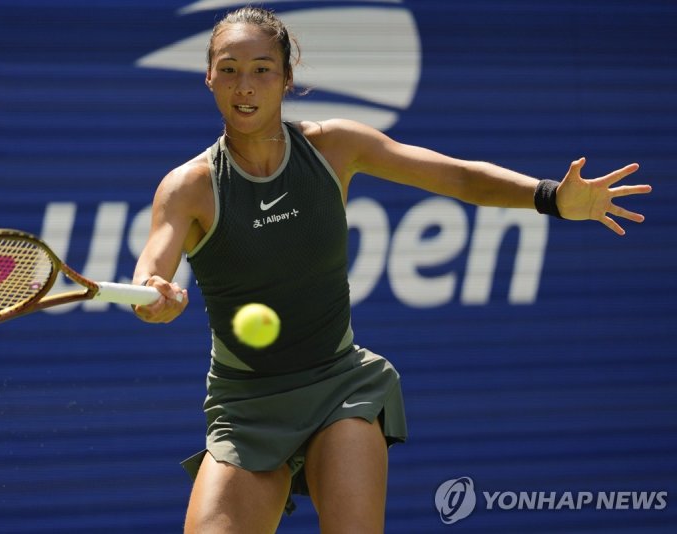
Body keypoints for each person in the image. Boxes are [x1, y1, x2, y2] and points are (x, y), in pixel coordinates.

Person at [131, 6, 651, 534]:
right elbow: (153, 266)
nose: (244, 85)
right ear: (209, 76)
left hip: (339, 387)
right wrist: (153, 294)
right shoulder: (189, 186)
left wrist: (551, 198)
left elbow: (459, 178)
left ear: (287, 77)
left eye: (262, 69)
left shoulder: (335, 146)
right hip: (245, 406)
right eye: (229, 68)